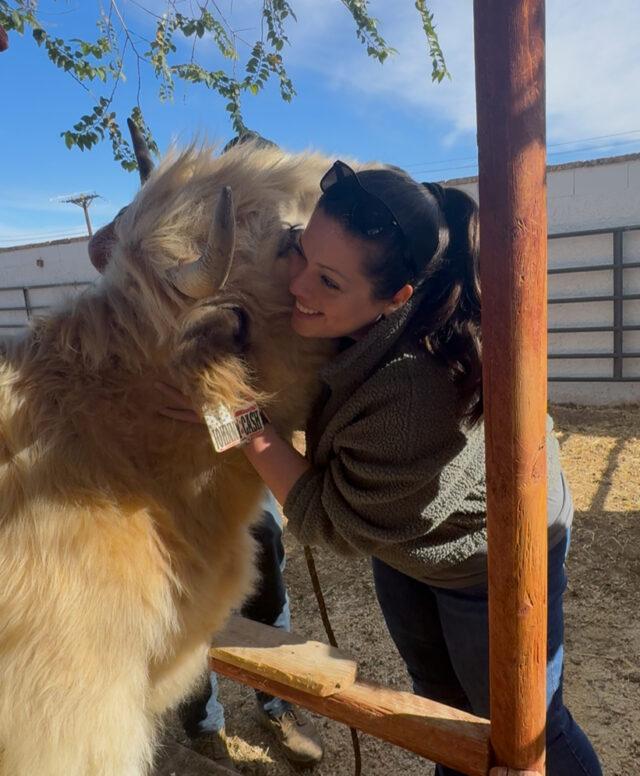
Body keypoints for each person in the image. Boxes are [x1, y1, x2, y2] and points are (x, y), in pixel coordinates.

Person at [161, 159, 602, 776]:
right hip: (407, 544)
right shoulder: (361, 306)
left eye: (328, 281)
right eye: (300, 251)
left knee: (527, 732)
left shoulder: (415, 394)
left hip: (487, 557)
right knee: (440, 705)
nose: (298, 285)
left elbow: (326, 518)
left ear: (397, 298)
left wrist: (237, 418)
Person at [178, 489, 324, 772]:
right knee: (182, 573)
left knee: (263, 538)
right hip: (162, 477)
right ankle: (204, 726)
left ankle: (277, 703)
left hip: (237, 467)